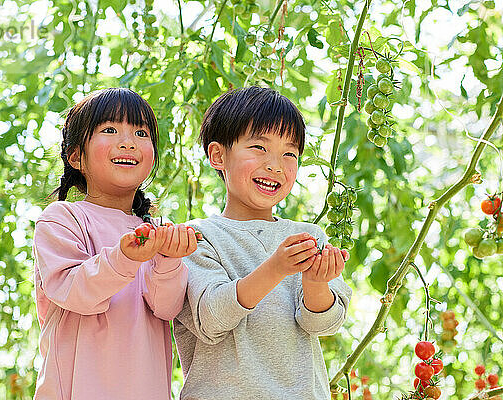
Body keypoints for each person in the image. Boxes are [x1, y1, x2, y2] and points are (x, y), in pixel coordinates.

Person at [174, 86, 353, 400]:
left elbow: (325, 323)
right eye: (258, 147)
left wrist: (315, 282)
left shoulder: (309, 236)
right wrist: (276, 268)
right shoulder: (195, 238)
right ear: (218, 155)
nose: (276, 165)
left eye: (289, 153)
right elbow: (211, 318)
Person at [32, 88, 197, 399]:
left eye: (141, 132)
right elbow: (75, 291)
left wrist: (170, 261)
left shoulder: (155, 233)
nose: (129, 141)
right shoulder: (63, 218)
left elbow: (167, 308)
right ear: (76, 156)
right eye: (110, 129)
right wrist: (124, 258)